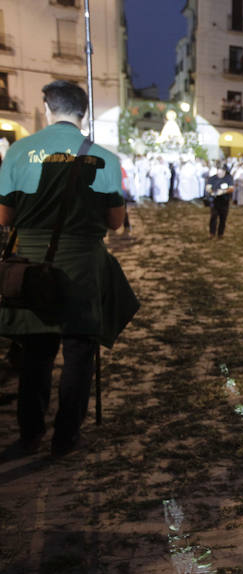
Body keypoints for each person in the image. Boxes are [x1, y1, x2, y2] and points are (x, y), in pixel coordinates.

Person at [0, 80, 139, 457]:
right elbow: (114, 222)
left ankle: (30, 434)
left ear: (47, 108)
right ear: (84, 113)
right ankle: (66, 437)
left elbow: (4, 215)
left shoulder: (18, 152)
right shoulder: (105, 159)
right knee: (78, 356)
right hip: (81, 268)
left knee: (36, 356)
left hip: (31, 265)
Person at [206, 164, 234, 239]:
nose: (220, 173)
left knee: (223, 218)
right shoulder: (212, 178)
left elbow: (231, 188)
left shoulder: (228, 178)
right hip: (214, 201)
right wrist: (212, 192)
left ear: (225, 171)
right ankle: (212, 233)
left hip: (224, 201)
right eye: (219, 171)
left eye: (222, 171)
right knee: (213, 216)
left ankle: (220, 234)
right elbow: (208, 187)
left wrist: (223, 191)